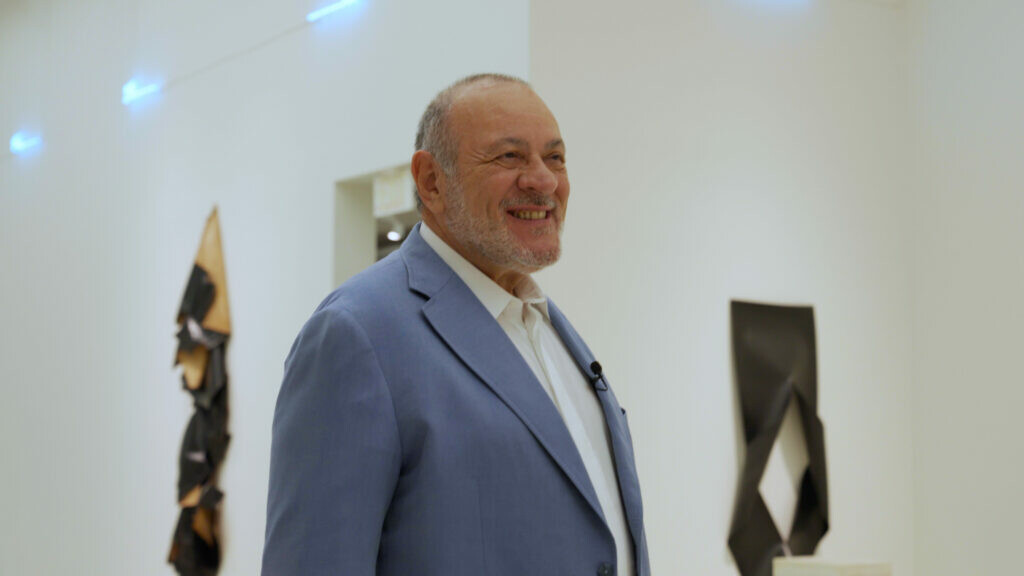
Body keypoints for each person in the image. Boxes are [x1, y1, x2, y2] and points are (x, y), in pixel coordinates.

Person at [262, 74, 649, 576]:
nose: (543, 180)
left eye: (554, 157)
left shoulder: (550, 329)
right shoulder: (356, 335)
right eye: (509, 157)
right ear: (431, 180)